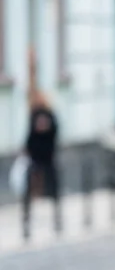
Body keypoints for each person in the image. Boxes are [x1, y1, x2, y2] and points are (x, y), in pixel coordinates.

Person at [22, 92, 61, 239]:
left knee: (54, 190)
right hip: (35, 159)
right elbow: (30, 136)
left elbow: (55, 132)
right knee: (28, 191)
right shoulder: (33, 115)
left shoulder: (50, 115)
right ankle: (26, 220)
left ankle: (57, 219)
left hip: (47, 158)